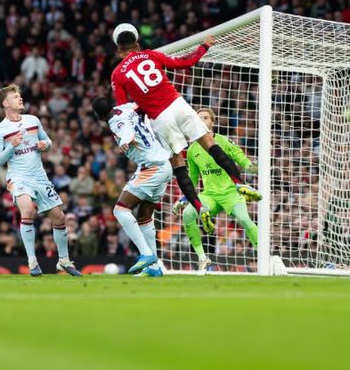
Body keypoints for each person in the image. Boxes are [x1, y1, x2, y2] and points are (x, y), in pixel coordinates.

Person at [110, 23, 261, 236]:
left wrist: (128, 135)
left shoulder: (117, 74)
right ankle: (238, 183)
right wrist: (204, 47)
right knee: (210, 144)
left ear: (119, 50)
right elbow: (184, 63)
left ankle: (199, 208)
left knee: (178, 164)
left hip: (160, 119)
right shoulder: (151, 55)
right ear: (137, 44)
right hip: (178, 105)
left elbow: (123, 110)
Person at [0, 84, 82, 277]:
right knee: (28, 209)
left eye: (20, 95)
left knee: (59, 217)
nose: (20, 98)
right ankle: (32, 261)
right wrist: (11, 146)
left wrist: (44, 144)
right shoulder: (0, 130)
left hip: (40, 177)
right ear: (5, 103)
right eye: (15, 96)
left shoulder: (33, 120)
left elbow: (48, 142)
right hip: (18, 177)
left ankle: (64, 261)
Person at [172, 108, 259, 274]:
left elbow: (239, 156)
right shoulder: (192, 150)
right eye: (199, 118)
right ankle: (202, 258)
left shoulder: (223, 141)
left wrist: (250, 165)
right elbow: (192, 179)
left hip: (230, 193)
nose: (202, 121)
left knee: (244, 219)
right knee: (188, 214)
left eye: (205, 117)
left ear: (213, 121)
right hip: (210, 195)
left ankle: (263, 256)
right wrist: (184, 198)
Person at [92, 97, 171, 277]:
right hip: (163, 165)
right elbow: (139, 105)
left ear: (99, 116)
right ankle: (154, 267)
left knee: (120, 210)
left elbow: (127, 131)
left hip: (152, 168)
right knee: (144, 217)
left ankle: (146, 254)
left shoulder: (115, 122)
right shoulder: (124, 108)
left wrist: (124, 142)